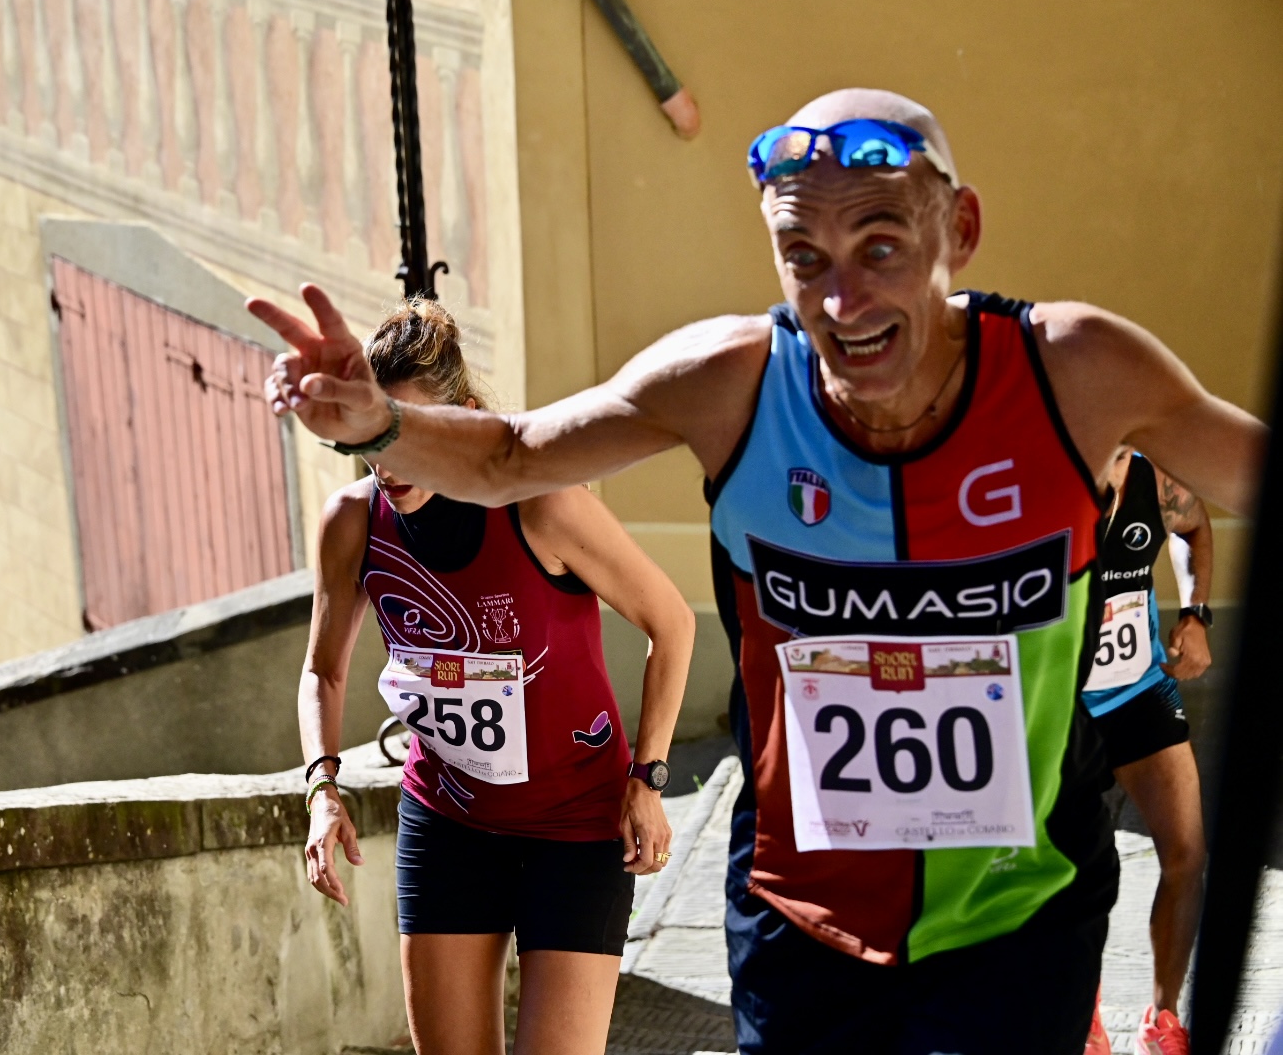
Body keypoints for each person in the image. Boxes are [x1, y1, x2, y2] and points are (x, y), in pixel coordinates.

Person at [254, 89, 1266, 1053]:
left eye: (881, 247)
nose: (842, 300)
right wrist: (380, 423)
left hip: (1016, 903)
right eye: (803, 256)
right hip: (803, 911)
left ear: (960, 229)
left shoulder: (1076, 371)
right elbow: (514, 454)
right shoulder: (730, 382)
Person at [294, 298, 695, 1055]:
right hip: (448, 825)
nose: (386, 464)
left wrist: (648, 778)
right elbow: (322, 669)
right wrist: (322, 789)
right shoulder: (352, 523)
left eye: (405, 435)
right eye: (372, 437)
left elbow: (672, 624)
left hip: (576, 828)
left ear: (465, 421)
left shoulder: (542, 506)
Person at [1082, 447, 1214, 1055]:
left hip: (1138, 690)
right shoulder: (1034, 476)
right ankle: (1081, 1009)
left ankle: (1162, 1019)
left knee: (1187, 852)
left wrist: (1196, 615)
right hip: (1060, 707)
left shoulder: (1153, 480)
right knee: (1075, 872)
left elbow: (1196, 523)